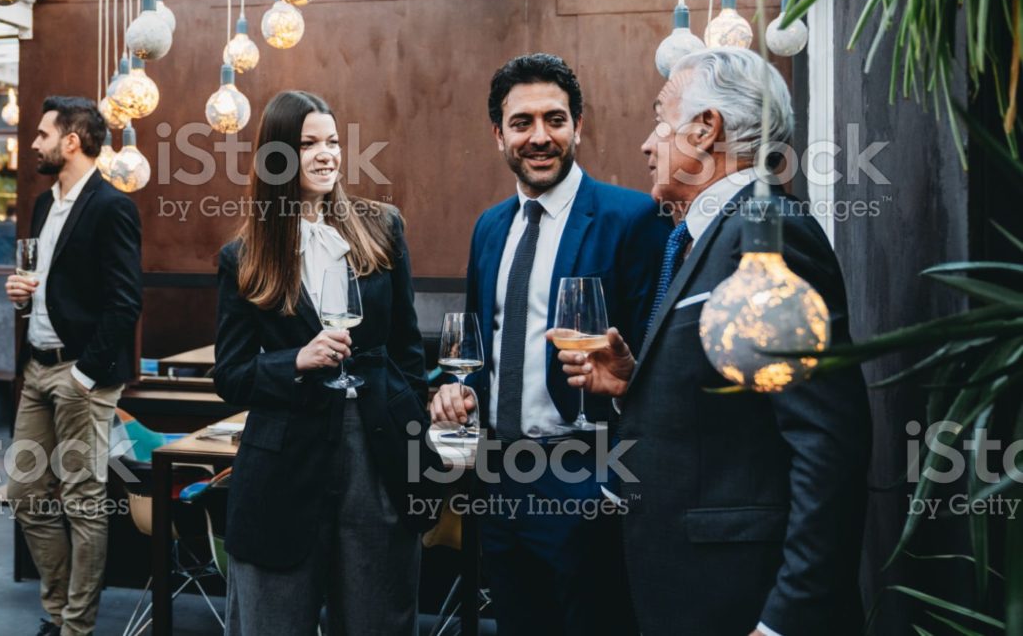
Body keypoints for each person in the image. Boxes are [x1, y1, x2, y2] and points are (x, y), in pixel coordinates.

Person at [561, 47, 871, 635]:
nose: (646, 145)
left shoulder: (769, 233)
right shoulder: (701, 237)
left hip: (743, 602)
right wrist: (633, 386)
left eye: (660, 121)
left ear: (705, 129)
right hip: (686, 595)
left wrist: (785, 620)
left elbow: (826, 441)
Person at [428, 54, 668, 635]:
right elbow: (480, 348)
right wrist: (457, 392)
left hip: (588, 477)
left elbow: (657, 364)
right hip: (501, 479)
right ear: (498, 134)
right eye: (522, 123)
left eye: (555, 120)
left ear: (577, 126)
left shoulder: (633, 218)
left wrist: (612, 479)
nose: (540, 137)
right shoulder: (490, 227)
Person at [214, 90, 441, 636]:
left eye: (333, 142)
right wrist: (297, 359)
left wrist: (409, 427)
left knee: (378, 622)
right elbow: (232, 376)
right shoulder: (243, 257)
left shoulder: (382, 226)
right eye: (307, 144)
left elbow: (408, 352)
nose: (326, 155)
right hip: (283, 469)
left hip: (377, 456)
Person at [3, 97, 142, 636]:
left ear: (71, 141)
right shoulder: (44, 204)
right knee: (25, 492)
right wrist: (23, 297)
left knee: (84, 502)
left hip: (81, 374)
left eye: (42, 134)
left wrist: (85, 375)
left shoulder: (112, 207)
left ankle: (75, 628)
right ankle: (59, 611)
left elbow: (125, 303)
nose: (34, 143)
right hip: (36, 369)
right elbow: (51, 287)